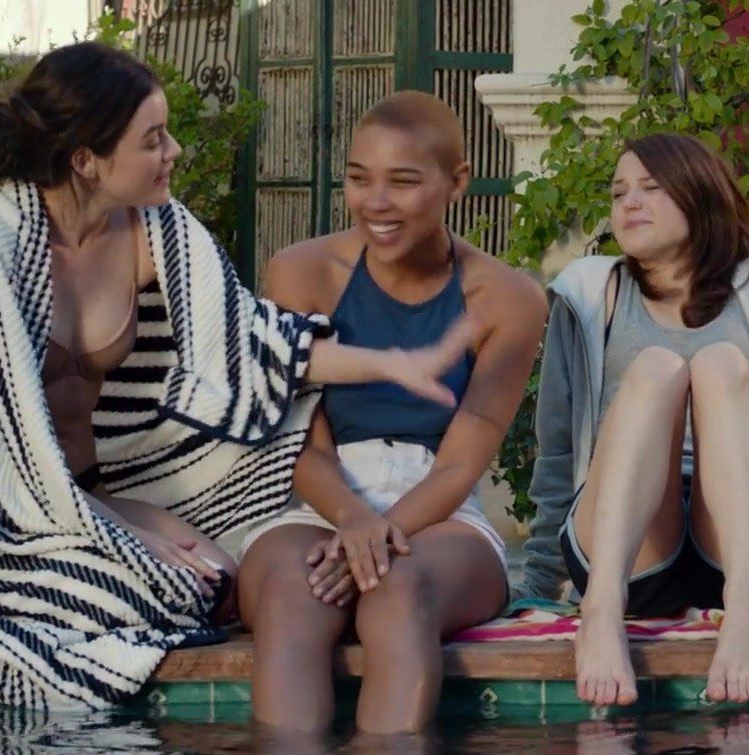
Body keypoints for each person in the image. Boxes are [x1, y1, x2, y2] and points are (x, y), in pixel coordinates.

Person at [0, 43, 474, 708]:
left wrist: (394, 363)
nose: (174, 152)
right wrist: (130, 538)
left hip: (99, 491)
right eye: (153, 140)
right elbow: (0, 440)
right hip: (2, 513)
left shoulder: (158, 230)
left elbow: (251, 343)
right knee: (144, 587)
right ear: (86, 160)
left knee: (213, 582)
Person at [238, 91, 546, 735]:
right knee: (295, 592)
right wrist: (352, 520)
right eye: (359, 179)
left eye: (402, 182)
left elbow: (463, 460)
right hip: (316, 503)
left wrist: (378, 537)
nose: (375, 202)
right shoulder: (301, 272)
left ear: (457, 181)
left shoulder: (507, 298)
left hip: (439, 513)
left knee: (399, 592)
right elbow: (300, 442)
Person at [516, 133, 749, 707]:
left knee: (721, 365)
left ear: (698, 195)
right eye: (618, 192)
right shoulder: (590, 294)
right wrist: (543, 582)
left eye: (650, 187)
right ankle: (601, 613)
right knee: (657, 368)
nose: (629, 202)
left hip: (746, 547)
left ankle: (746, 611)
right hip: (631, 549)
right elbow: (560, 449)